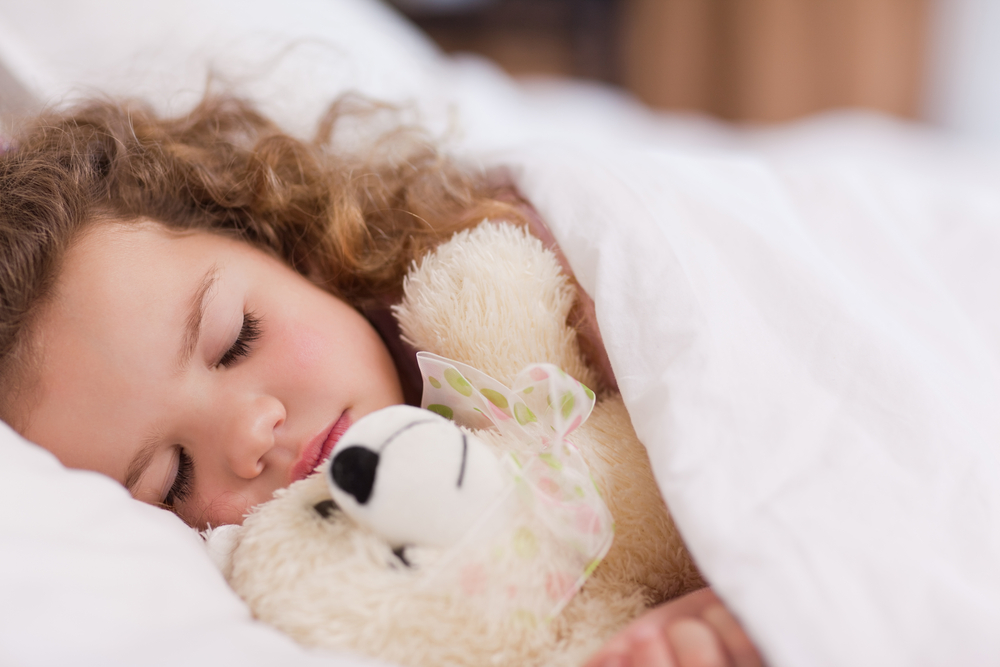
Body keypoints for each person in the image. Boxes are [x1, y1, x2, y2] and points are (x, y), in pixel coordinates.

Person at [0, 94, 763, 667]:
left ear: (280, 243)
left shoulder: (514, 279)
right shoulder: (324, 603)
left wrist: (744, 590)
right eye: (173, 476)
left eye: (238, 340)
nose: (250, 432)